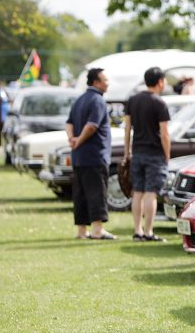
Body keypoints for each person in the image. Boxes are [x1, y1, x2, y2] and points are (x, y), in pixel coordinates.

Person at [66, 68, 115, 240]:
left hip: (79, 156)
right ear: (96, 82)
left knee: (80, 194)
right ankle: (97, 230)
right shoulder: (98, 101)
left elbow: (69, 123)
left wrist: (72, 139)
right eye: (105, 80)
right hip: (95, 155)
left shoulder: (80, 99)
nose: (108, 83)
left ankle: (82, 231)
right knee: (97, 193)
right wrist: (79, 140)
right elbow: (92, 126)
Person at [124, 67, 171, 242]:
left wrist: (127, 152)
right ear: (160, 82)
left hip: (137, 152)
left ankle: (137, 230)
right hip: (155, 153)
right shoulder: (159, 103)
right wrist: (167, 154)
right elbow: (164, 134)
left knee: (137, 192)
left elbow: (127, 129)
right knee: (151, 193)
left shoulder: (133, 100)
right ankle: (148, 231)